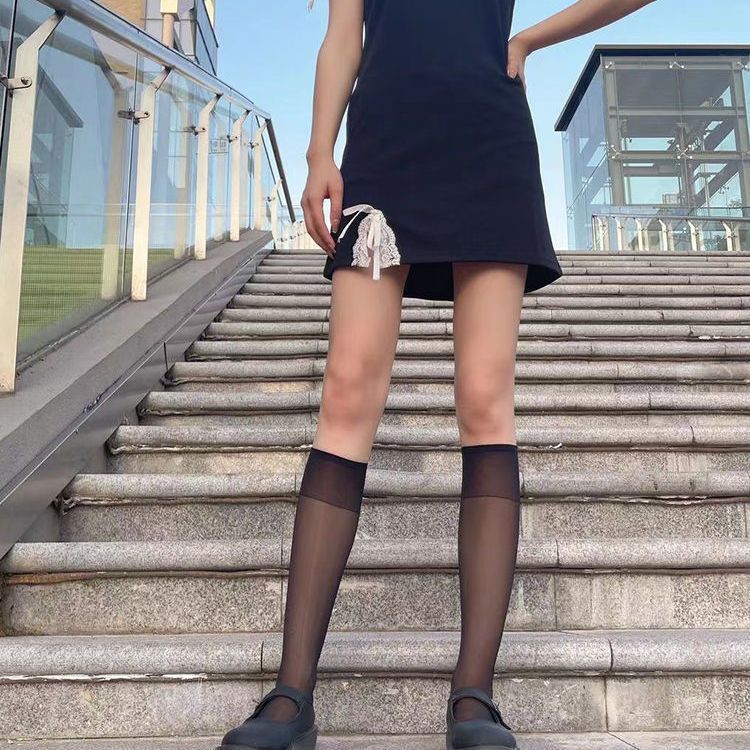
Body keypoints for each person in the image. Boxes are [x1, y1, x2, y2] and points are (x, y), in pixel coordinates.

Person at [217, 1, 657, 748]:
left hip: (488, 140)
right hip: (384, 147)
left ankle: (473, 696)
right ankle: (292, 695)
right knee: (346, 391)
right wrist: (320, 151)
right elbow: (342, 36)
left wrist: (529, 38)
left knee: (485, 400)